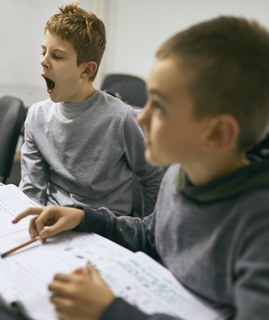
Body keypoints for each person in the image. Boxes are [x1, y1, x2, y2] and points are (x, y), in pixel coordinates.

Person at [13, 16, 269, 320]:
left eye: (161, 106)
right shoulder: (182, 173)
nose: (142, 117)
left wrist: (113, 313)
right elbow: (155, 235)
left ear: (217, 133)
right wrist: (88, 217)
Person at [18, 2, 163, 217]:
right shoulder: (37, 116)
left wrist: (150, 236)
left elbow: (152, 178)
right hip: (53, 222)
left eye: (57, 56)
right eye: (43, 52)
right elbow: (31, 191)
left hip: (105, 230)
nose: (43, 62)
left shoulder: (121, 119)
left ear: (87, 69)